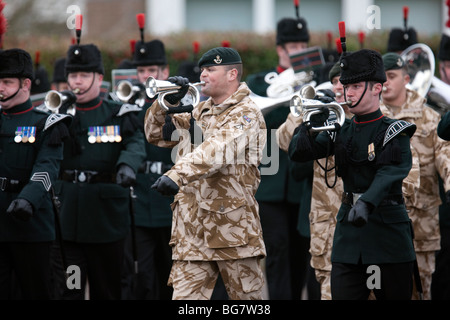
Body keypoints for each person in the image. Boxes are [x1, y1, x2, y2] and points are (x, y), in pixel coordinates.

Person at [288, 48, 418, 300]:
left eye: (356, 86)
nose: (348, 93)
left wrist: (367, 202)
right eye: (347, 87)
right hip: (349, 238)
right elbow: (298, 153)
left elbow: (391, 171)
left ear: (377, 88)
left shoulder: (395, 130)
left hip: (386, 236)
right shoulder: (341, 129)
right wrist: (309, 124)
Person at [145, 47, 267, 300]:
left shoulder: (246, 113)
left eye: (210, 70)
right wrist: (166, 102)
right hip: (192, 232)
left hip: (233, 232)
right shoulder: (200, 110)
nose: (203, 75)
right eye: (202, 70)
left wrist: (176, 175)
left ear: (232, 74)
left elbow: (217, 150)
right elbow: (155, 135)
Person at [52, 42, 146, 300]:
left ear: (100, 78)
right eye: (73, 76)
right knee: (69, 291)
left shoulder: (118, 114)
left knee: (107, 290)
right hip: (68, 220)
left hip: (107, 222)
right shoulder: (57, 115)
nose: (77, 82)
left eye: (84, 75)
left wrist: (127, 165)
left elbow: (135, 142)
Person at [245, 11, 318, 300]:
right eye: (293, 47)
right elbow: (263, 116)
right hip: (271, 180)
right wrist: (292, 95)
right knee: (277, 248)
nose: (299, 52)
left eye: (303, 47)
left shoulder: (317, 80)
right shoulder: (261, 81)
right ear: (280, 49)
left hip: (303, 180)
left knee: (302, 249)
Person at [276, 62, 352, 300]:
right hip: (325, 227)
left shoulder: (368, 118)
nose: (339, 87)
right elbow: (284, 141)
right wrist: (303, 111)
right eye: (335, 82)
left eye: (345, 82)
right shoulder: (322, 115)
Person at [0, 48, 70, 299]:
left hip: (29, 223)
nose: (1, 88)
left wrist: (28, 197)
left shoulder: (46, 123)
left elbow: (47, 167)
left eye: (7, 82)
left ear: (26, 83)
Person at [381, 52, 450, 300]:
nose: (385, 82)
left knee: (420, 292)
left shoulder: (430, 117)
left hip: (421, 227)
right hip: (381, 227)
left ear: (406, 79)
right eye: (381, 78)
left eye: (391, 76)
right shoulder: (370, 117)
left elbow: (446, 154)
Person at [120, 38, 175, 300]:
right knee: (141, 276)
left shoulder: (177, 104)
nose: (145, 77)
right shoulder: (127, 106)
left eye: (151, 70)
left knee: (172, 275)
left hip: (170, 198)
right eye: (141, 71)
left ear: (164, 72)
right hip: (139, 198)